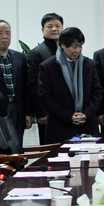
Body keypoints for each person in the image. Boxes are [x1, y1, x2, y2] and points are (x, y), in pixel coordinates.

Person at [38, 27, 102, 143]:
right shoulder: (48, 67)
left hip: (87, 125)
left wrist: (86, 114)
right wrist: (68, 116)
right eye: (74, 46)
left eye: (80, 46)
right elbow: (45, 96)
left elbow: (97, 92)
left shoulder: (89, 65)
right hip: (60, 126)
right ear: (63, 45)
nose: (78, 50)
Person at [27, 13, 63, 144]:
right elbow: (33, 84)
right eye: (50, 26)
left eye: (57, 26)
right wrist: (40, 112)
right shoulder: (36, 53)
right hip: (47, 113)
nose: (54, 29)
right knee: (50, 148)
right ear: (42, 30)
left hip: (66, 112)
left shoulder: (67, 51)